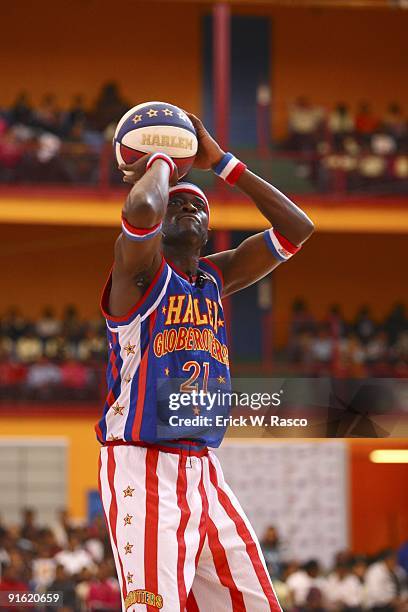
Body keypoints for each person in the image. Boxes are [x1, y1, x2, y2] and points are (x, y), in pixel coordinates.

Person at [96, 107, 314, 611]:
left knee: (256, 604)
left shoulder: (217, 277)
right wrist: (162, 162)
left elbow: (297, 228)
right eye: (178, 205)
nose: (188, 209)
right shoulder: (138, 276)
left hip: (204, 467)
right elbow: (142, 212)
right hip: (141, 463)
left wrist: (224, 164)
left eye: (198, 206)